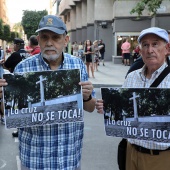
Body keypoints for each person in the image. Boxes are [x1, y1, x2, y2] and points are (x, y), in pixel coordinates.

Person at [0, 14, 96, 170]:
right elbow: (9, 115)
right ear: (38, 40)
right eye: (45, 37)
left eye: (55, 37)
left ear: (65, 40)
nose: (50, 43)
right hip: (34, 161)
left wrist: (86, 97)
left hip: (69, 159)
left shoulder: (77, 65)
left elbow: (91, 107)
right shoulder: (23, 68)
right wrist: (3, 99)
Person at [96, 27, 170, 170]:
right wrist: (109, 107)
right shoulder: (132, 77)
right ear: (140, 50)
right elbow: (123, 109)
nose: (150, 50)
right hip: (131, 153)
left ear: (167, 49)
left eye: (155, 44)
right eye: (145, 45)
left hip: (161, 157)